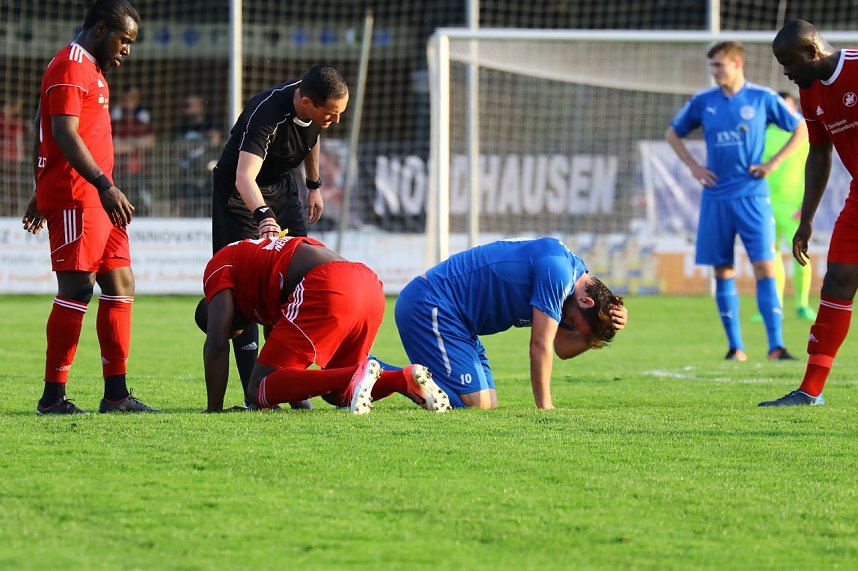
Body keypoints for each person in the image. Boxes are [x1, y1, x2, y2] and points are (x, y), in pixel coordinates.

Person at [20, 0, 158, 415]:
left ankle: (116, 394)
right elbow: (61, 130)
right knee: (76, 289)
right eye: (124, 39)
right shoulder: (71, 65)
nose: (127, 50)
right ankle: (52, 397)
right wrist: (99, 184)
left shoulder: (92, 69)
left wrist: (38, 186)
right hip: (81, 195)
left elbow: (41, 130)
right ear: (100, 28)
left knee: (120, 285)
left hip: (99, 196)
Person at [209, 64, 348, 408]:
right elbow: (244, 177)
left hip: (283, 189)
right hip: (241, 197)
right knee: (247, 290)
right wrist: (263, 216)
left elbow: (313, 135)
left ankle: (288, 384)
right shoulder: (267, 112)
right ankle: (255, 395)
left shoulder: (315, 109)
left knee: (297, 282)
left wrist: (313, 186)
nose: (335, 121)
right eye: (330, 114)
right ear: (304, 101)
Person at [665, 40, 808, 362]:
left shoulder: (762, 98)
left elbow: (801, 129)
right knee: (723, 269)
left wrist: (772, 164)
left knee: (764, 265)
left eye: (719, 65)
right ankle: (736, 348)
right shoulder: (703, 101)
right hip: (716, 197)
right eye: (712, 66)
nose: (714, 71)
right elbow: (673, 133)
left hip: (753, 196)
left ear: (737, 64)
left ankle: (776, 346)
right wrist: (693, 166)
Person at [196, 235, 451, 414]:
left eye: (232, 330)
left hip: (328, 284)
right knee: (339, 393)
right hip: (368, 284)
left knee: (258, 387)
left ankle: (358, 373)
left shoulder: (218, 270)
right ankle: (402, 379)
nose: (237, 333)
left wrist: (214, 409)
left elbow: (217, 343)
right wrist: (298, 402)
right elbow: (284, 356)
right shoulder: (254, 270)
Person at [393, 237, 627, 409]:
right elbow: (540, 345)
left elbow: (562, 348)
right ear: (586, 302)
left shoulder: (571, 287)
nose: (569, 324)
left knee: (487, 405)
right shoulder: (558, 271)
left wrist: (602, 332)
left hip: (458, 321)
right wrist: (545, 407)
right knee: (474, 405)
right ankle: (380, 374)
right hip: (431, 304)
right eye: (575, 323)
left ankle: (382, 375)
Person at [760, 20, 858, 406]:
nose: (786, 72)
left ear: (812, 52)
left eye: (789, 62)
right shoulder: (811, 93)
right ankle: (809, 391)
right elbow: (819, 153)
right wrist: (807, 218)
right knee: (837, 279)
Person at [760, 92, 817, 322]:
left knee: (800, 253)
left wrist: (806, 203)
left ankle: (802, 304)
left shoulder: (803, 133)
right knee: (770, 256)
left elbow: (815, 167)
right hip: (765, 203)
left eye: (787, 106)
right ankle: (776, 305)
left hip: (794, 204)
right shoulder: (763, 133)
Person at [111, 86, 154, 215]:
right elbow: (113, 147)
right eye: (128, 98)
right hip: (119, 173)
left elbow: (150, 142)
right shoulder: (115, 123)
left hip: (140, 173)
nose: (130, 101)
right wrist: (136, 143)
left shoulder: (140, 123)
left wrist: (126, 144)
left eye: (134, 98)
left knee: (143, 205)